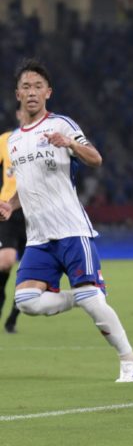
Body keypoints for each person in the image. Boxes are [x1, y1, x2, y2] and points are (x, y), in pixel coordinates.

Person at [0, 59, 133, 382]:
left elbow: (96, 158)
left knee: (93, 301)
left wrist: (71, 144)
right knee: (26, 301)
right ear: (17, 94)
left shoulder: (62, 125)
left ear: (48, 92)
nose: (32, 92)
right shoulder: (14, 141)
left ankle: (129, 358)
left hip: (71, 231)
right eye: (26, 87)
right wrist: (10, 205)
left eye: (38, 86)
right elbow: (26, 185)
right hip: (39, 238)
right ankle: (80, 298)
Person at [0, 105, 25, 334]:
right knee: (6, 261)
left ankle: (12, 319)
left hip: (36, 212)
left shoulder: (44, 140)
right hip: (7, 209)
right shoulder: (5, 140)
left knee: (30, 272)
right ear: (18, 114)